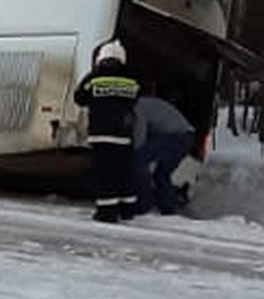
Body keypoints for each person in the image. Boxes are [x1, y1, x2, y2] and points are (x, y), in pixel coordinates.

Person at [73, 39, 141, 223]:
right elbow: (136, 98)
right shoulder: (131, 79)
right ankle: (127, 209)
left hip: (101, 134)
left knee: (104, 172)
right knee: (123, 171)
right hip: (124, 136)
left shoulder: (94, 78)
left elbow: (79, 98)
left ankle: (106, 211)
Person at [133, 95, 195, 215]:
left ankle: (143, 204)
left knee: (139, 159)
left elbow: (139, 140)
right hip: (187, 137)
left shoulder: (137, 108)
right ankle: (168, 209)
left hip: (175, 137)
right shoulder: (146, 102)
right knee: (161, 175)